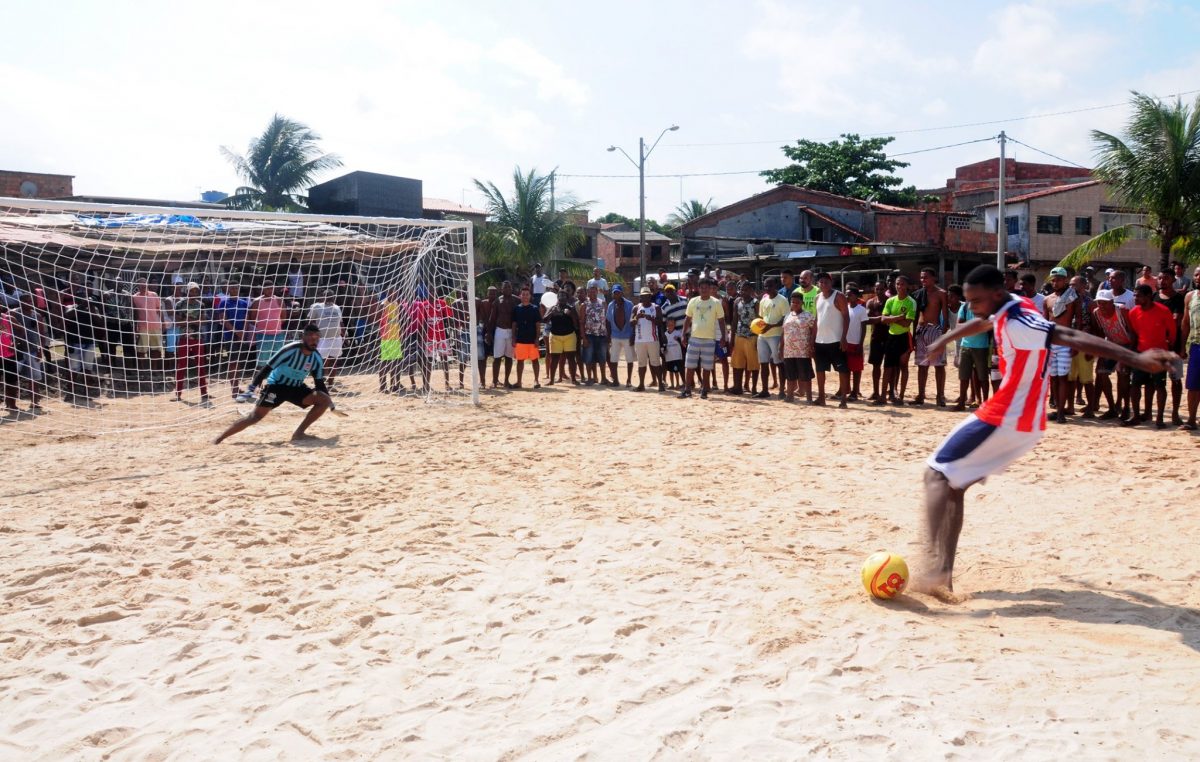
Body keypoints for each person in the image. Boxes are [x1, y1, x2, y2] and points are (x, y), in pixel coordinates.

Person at [916, 264, 1173, 600]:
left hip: (1008, 416)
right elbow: (984, 321)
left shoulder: (1021, 320)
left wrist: (1135, 359)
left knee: (935, 473)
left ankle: (932, 569)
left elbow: (1068, 335)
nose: (973, 306)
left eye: (976, 300)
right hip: (1020, 418)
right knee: (954, 483)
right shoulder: (1010, 306)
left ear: (995, 294)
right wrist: (948, 338)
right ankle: (943, 580)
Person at [216, 324, 331, 443]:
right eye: (311, 337)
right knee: (255, 417)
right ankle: (220, 438)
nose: (314, 341)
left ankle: (299, 433)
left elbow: (319, 383)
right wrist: (252, 387)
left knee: (324, 400)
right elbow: (267, 368)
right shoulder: (290, 349)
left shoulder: (316, 357)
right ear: (303, 337)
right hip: (276, 387)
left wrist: (331, 404)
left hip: (296, 387)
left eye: (317, 338)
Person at [1125, 284, 1177, 428]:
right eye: (1134, 295)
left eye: (1138, 295)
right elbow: (1134, 333)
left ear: (1148, 296)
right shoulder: (1133, 312)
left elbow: (1172, 333)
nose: (1135, 298)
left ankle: (1159, 418)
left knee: (1159, 386)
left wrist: (1168, 349)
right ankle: (1136, 415)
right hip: (1141, 353)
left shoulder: (1163, 311)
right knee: (1135, 385)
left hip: (1159, 355)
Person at [1042, 267, 1080, 424]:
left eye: (1058, 279)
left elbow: (1078, 321)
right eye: (1053, 279)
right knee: (1054, 378)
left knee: (1063, 378)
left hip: (1065, 342)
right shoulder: (1047, 299)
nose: (1055, 282)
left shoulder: (1072, 297)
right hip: (1052, 342)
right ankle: (1058, 409)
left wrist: (1075, 344)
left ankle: (1061, 413)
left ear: (1065, 280)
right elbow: (1045, 322)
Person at [680, 277, 727, 399]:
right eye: (702, 287)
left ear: (710, 289)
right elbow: (687, 319)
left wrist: (723, 337)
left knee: (707, 367)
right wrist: (683, 334)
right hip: (694, 338)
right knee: (689, 365)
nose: (704, 289)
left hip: (709, 339)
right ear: (698, 288)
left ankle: (704, 389)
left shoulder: (716, 303)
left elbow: (721, 321)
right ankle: (687, 390)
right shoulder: (693, 301)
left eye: (707, 287)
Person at [1090, 291, 1134, 420]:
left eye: (1104, 303)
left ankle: (1125, 407)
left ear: (1111, 302)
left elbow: (1132, 332)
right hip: (1111, 344)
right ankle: (1112, 408)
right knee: (1101, 372)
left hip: (1126, 344)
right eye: (1099, 302)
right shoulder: (1096, 313)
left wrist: (1129, 353)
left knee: (1123, 374)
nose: (1101, 305)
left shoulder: (1122, 311)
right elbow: (1100, 331)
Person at [910, 267, 949, 407]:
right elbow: (915, 316)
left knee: (939, 365)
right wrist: (914, 334)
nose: (923, 280)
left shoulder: (941, 294)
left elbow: (945, 316)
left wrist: (943, 333)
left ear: (934, 278)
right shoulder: (918, 294)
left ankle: (940, 396)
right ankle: (921, 395)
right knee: (922, 365)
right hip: (921, 331)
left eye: (926, 277)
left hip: (935, 330)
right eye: (921, 277)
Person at [876, 275, 915, 406]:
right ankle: (882, 396)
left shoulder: (911, 302)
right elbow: (883, 319)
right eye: (898, 284)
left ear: (907, 286)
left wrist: (891, 319)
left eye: (902, 284)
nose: (899, 286)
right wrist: (898, 317)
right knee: (887, 367)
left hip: (904, 338)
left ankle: (901, 396)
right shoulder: (890, 301)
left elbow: (907, 323)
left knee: (903, 366)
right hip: (891, 337)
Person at [813, 272, 850, 408]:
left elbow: (846, 317)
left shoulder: (838, 296)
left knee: (842, 370)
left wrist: (844, 337)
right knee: (820, 370)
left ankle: (843, 400)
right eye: (821, 282)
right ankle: (821, 397)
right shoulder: (817, 298)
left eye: (826, 282)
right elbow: (817, 319)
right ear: (818, 284)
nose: (823, 284)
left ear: (831, 282)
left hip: (836, 340)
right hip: (820, 340)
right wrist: (813, 339)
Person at [1155, 270, 1185, 426]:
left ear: (1173, 280)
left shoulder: (1179, 299)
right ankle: (1158, 416)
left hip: (1174, 346)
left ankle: (1174, 413)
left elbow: (1176, 321)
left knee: (1176, 380)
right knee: (1158, 383)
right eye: (1159, 278)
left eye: (1165, 278)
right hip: (1156, 346)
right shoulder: (1153, 297)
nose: (1162, 281)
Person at [952, 292, 991, 411]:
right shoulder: (964, 307)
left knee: (983, 377)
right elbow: (958, 325)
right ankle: (962, 402)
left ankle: (985, 403)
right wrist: (975, 326)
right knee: (963, 376)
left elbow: (987, 325)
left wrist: (968, 326)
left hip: (982, 346)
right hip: (966, 345)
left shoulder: (986, 307)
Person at [1067, 275, 1098, 418]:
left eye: (1075, 285)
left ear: (1084, 286)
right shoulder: (1067, 300)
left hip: (1084, 343)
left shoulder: (1090, 303)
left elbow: (1095, 326)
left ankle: (1091, 408)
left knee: (1086, 378)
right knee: (1070, 378)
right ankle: (1070, 407)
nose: (1072, 287)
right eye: (1071, 285)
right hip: (1069, 342)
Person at [755, 277, 789, 400]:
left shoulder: (782, 300)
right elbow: (761, 318)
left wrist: (772, 326)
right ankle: (764, 390)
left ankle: (781, 390)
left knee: (779, 363)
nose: (767, 289)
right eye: (765, 286)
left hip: (776, 335)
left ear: (775, 285)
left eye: (769, 286)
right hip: (762, 336)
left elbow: (786, 318)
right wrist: (759, 329)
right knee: (763, 363)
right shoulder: (763, 300)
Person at [12, 293, 46, 413]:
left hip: (32, 349)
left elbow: (41, 333)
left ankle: (34, 401)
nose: (29, 303)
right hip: (17, 351)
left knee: (34, 378)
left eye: (30, 301)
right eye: (26, 301)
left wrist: (40, 349)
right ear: (20, 302)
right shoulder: (13, 313)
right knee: (13, 377)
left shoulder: (37, 315)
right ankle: (11, 403)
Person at [781, 289, 816, 403]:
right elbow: (783, 332)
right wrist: (780, 347)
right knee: (790, 375)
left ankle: (809, 398)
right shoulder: (787, 316)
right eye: (792, 302)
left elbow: (813, 331)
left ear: (802, 303)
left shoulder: (808, 316)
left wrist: (811, 345)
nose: (794, 304)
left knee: (805, 375)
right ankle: (789, 396)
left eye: (797, 302)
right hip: (789, 351)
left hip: (803, 351)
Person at [131, 276, 164, 394]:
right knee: (141, 349)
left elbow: (159, 310)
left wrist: (163, 322)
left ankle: (154, 369)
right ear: (138, 286)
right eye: (140, 285)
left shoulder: (154, 295)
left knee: (156, 348)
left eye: (145, 284)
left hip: (155, 325)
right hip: (143, 326)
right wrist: (135, 327)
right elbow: (134, 313)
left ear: (147, 284)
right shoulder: (134, 298)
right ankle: (143, 370)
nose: (143, 286)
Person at [249, 280, 289, 372]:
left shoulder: (279, 300)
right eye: (267, 289)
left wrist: (275, 325)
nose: (270, 290)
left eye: (271, 288)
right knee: (262, 361)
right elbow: (252, 319)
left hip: (278, 334)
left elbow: (283, 317)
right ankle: (259, 381)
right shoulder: (257, 301)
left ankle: (275, 380)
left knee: (278, 359)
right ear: (263, 289)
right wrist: (263, 325)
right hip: (263, 334)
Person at [545, 282, 580, 386]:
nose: (562, 297)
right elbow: (544, 319)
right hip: (555, 336)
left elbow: (576, 322)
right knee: (554, 359)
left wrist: (570, 315)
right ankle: (551, 380)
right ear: (557, 297)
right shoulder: (552, 308)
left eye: (564, 295)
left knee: (571, 358)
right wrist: (551, 313)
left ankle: (573, 379)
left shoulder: (571, 308)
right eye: (560, 295)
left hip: (569, 336)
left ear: (567, 297)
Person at [308, 289, 344, 383]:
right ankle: (320, 379)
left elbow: (341, 323)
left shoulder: (337, 308)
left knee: (334, 360)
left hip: (336, 338)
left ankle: (331, 382)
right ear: (323, 297)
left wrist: (344, 335)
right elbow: (310, 322)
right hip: (323, 339)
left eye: (330, 295)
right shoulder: (317, 307)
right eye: (326, 295)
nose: (329, 297)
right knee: (322, 361)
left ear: (334, 297)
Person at [632, 287, 664, 391]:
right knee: (641, 363)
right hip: (640, 340)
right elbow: (630, 322)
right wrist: (637, 318)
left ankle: (660, 384)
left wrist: (651, 318)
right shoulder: (636, 308)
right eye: (643, 296)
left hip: (653, 339)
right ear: (640, 297)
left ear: (650, 296)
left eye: (647, 296)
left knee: (655, 362)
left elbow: (660, 322)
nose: (645, 298)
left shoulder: (656, 307)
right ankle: (641, 384)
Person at [729, 280, 759, 395]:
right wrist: (732, 337)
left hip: (752, 336)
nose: (743, 292)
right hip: (739, 335)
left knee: (754, 364)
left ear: (751, 291)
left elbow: (759, 320)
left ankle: (754, 388)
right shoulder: (737, 301)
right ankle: (737, 386)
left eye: (746, 289)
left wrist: (758, 338)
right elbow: (734, 320)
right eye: (741, 289)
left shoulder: (756, 303)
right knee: (737, 364)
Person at [1180, 265, 1200, 430]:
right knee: (1193, 386)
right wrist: (1182, 346)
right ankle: (1191, 420)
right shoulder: (1189, 296)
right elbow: (1185, 323)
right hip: (1196, 346)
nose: (1198, 277)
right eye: (1196, 274)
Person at [512, 286, 542, 388]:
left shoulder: (535, 309)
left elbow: (538, 325)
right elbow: (514, 325)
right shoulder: (517, 308)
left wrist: (537, 339)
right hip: (520, 339)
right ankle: (519, 382)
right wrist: (513, 338)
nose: (525, 296)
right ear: (520, 296)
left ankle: (536, 381)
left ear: (530, 296)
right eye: (523, 294)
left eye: (527, 294)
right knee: (520, 361)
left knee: (535, 360)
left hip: (532, 340)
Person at [579, 283, 609, 386]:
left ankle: (603, 378)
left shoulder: (603, 303)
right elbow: (582, 322)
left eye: (594, 291)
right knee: (588, 357)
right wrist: (584, 338)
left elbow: (606, 320)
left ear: (597, 291)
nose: (592, 293)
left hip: (601, 335)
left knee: (602, 357)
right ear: (588, 292)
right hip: (589, 335)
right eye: (590, 291)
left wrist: (608, 335)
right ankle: (590, 378)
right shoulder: (584, 305)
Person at [606, 285, 635, 387]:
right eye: (614, 293)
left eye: (618, 292)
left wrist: (633, 335)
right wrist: (608, 336)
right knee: (613, 359)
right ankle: (616, 380)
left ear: (622, 293)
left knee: (629, 359)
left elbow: (633, 320)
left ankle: (629, 380)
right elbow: (608, 321)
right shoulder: (610, 305)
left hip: (627, 335)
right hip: (615, 335)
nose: (616, 294)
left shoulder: (629, 304)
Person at [377, 288, 405, 394]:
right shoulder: (383, 304)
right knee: (385, 362)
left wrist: (401, 333)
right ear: (388, 292)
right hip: (387, 338)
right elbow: (378, 318)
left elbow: (398, 321)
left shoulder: (397, 304)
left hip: (396, 338)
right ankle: (383, 386)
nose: (395, 293)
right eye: (392, 291)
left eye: (396, 292)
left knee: (396, 363)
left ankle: (394, 385)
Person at [844, 285, 869, 400]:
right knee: (847, 368)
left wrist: (860, 344)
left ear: (856, 296)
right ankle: (847, 389)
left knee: (856, 369)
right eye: (846, 294)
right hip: (846, 342)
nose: (847, 296)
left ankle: (855, 391)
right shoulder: (845, 308)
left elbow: (863, 328)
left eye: (850, 294)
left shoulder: (861, 309)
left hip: (856, 343)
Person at [865, 281, 888, 402]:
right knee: (876, 366)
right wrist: (880, 319)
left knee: (890, 367)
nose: (879, 291)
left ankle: (891, 391)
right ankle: (875, 391)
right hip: (876, 337)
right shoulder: (871, 302)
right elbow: (866, 319)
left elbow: (889, 320)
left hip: (889, 337)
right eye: (877, 289)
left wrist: (878, 319)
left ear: (885, 289)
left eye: (881, 289)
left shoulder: (890, 301)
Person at [491, 281, 517, 388]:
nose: (507, 289)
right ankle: (494, 381)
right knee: (497, 357)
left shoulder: (516, 300)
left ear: (512, 288)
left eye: (509, 287)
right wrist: (489, 333)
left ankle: (506, 380)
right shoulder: (497, 301)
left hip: (511, 332)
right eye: (505, 287)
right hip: (500, 331)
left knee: (509, 357)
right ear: (501, 289)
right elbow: (492, 318)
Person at [477, 286, 497, 388]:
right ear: (487, 294)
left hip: (496, 331)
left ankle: (495, 380)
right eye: (490, 293)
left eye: (494, 293)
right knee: (483, 358)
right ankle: (482, 381)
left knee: (496, 357)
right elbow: (482, 318)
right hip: (485, 330)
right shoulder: (483, 303)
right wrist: (487, 332)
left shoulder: (498, 303)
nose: (492, 295)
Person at [663, 318, 684, 389]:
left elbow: (683, 341)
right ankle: (672, 384)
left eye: (672, 324)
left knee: (676, 371)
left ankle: (677, 384)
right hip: (669, 356)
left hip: (676, 356)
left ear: (675, 325)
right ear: (666, 325)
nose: (670, 326)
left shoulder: (678, 333)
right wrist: (663, 350)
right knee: (670, 371)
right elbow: (663, 344)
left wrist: (678, 339)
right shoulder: (665, 334)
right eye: (668, 324)